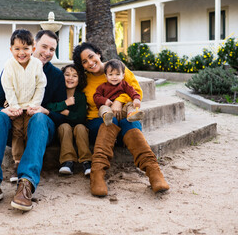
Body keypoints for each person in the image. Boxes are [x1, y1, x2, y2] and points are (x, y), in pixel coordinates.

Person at [0, 30, 66, 212]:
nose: (47, 52)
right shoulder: (10, 68)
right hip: (15, 124)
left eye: (52, 49)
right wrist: (6, 110)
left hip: (40, 128)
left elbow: (63, 114)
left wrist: (45, 110)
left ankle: (26, 183)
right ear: (35, 46)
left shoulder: (56, 75)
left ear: (30, 48)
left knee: (39, 118)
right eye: (44, 47)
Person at [72, 42, 169, 197]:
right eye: (84, 61)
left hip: (125, 117)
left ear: (98, 53)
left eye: (91, 56)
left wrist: (119, 101)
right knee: (109, 121)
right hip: (99, 122)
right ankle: (97, 175)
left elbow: (135, 90)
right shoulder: (84, 80)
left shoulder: (117, 67)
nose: (90, 63)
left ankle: (154, 172)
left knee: (128, 122)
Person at [0, 29, 47, 183]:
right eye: (17, 49)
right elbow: (8, 87)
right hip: (16, 107)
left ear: (33, 49)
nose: (22, 52)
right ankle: (17, 163)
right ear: (11, 50)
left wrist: (35, 105)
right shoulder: (9, 65)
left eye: (26, 49)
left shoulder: (37, 64)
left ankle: (29, 164)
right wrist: (13, 105)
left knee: (29, 132)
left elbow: (40, 85)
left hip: (31, 107)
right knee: (18, 133)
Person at [46, 64, 92, 176]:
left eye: (74, 76)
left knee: (80, 128)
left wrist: (66, 112)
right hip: (62, 129)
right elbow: (48, 106)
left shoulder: (80, 96)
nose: (70, 78)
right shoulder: (58, 93)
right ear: (62, 76)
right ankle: (67, 162)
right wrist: (64, 104)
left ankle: (87, 162)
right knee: (64, 127)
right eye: (67, 75)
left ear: (79, 79)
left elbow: (81, 117)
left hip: (78, 126)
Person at [94, 59, 144, 126]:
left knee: (130, 104)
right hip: (109, 108)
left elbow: (132, 91)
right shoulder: (102, 87)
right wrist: (105, 101)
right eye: (110, 74)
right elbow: (96, 96)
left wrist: (136, 98)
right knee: (102, 108)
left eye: (117, 74)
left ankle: (131, 114)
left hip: (122, 110)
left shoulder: (124, 84)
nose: (114, 77)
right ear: (106, 76)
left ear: (123, 75)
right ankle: (107, 117)